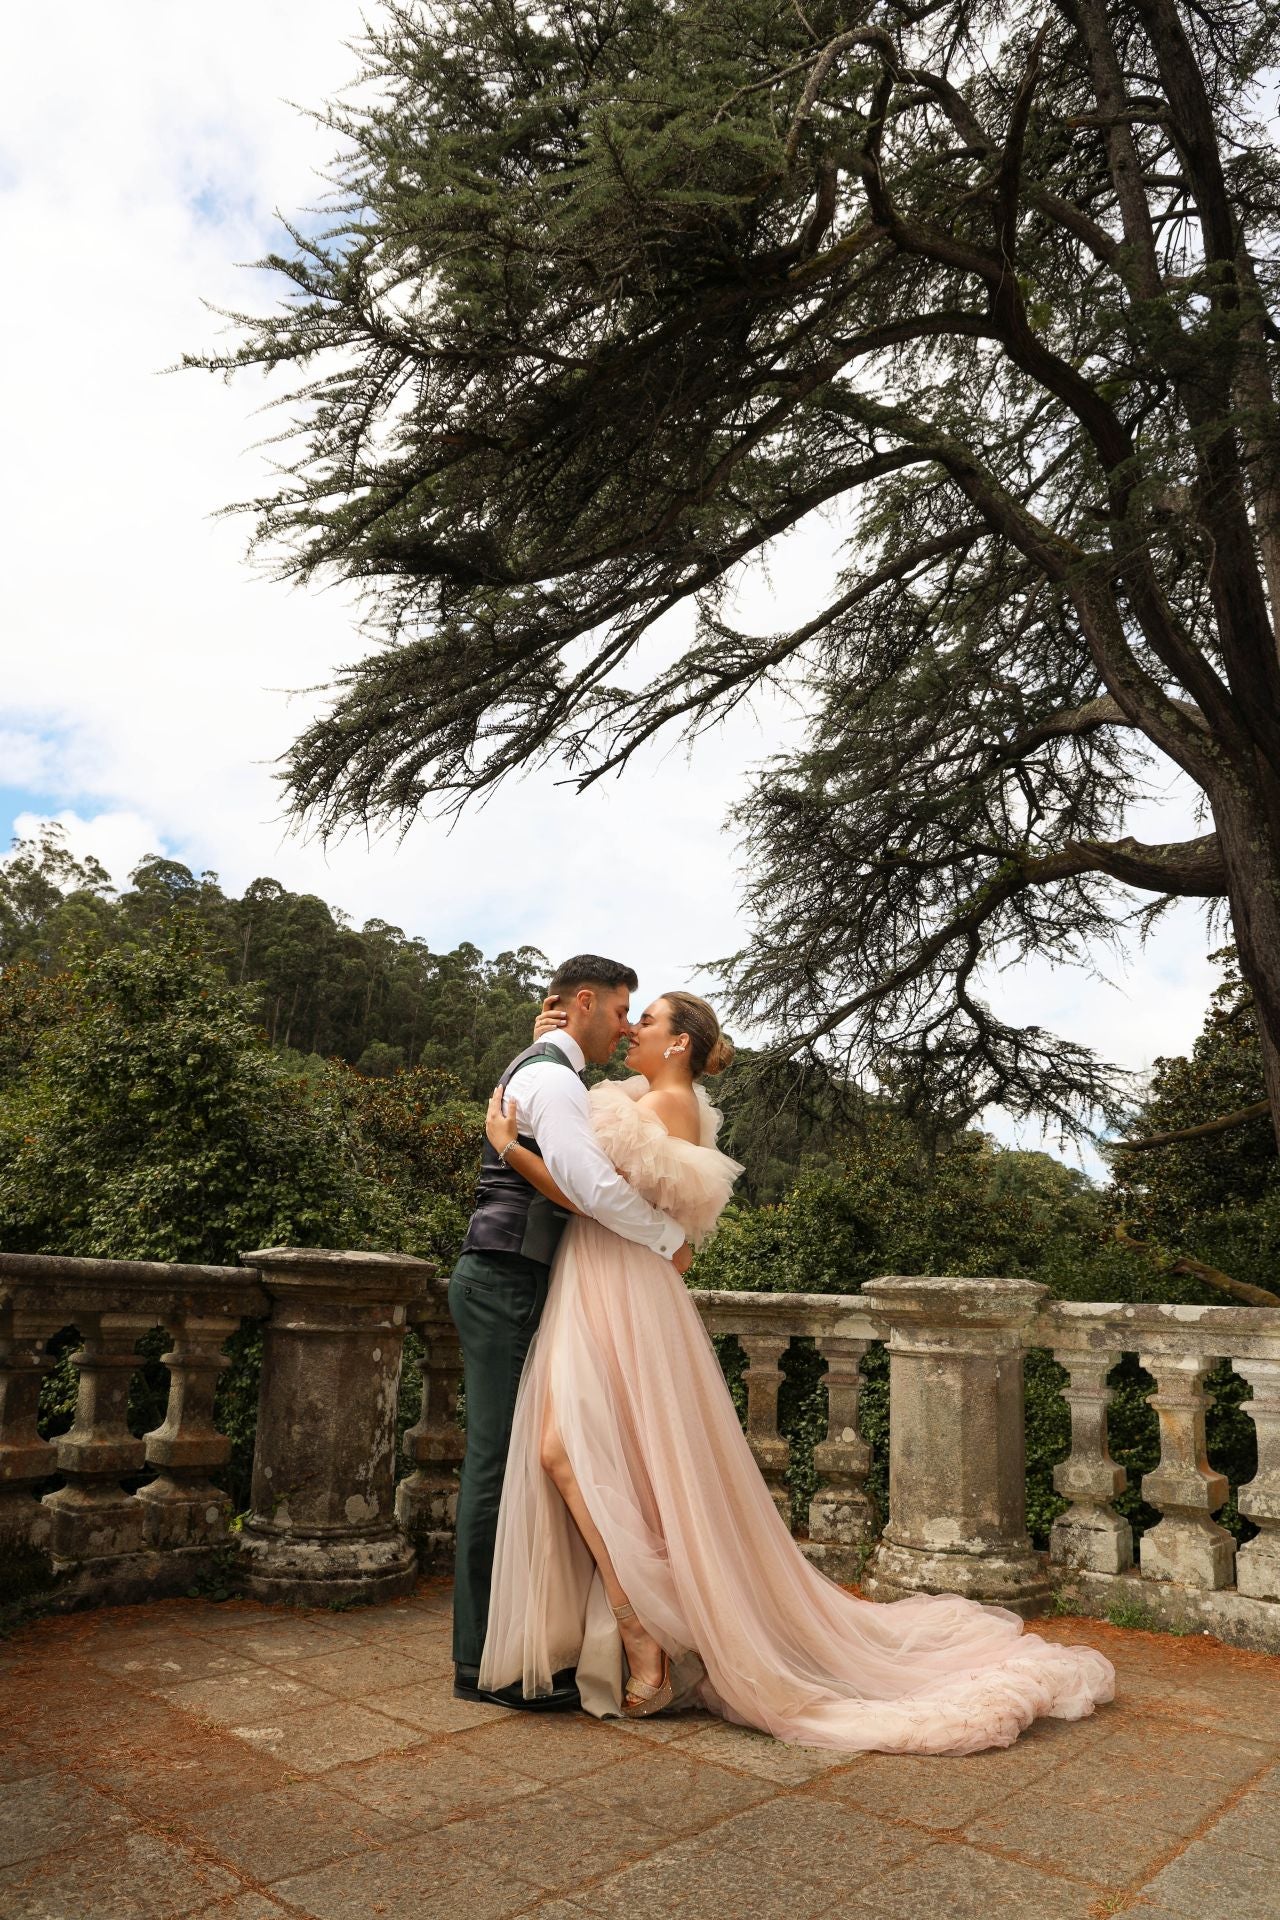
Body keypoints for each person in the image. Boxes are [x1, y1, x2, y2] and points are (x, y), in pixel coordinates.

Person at [477, 988, 1116, 1752]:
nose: (633, 1028)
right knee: (582, 1455)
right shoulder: (650, 1099)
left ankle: (642, 1626)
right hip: (603, 1283)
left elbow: (596, 1196)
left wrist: (513, 1150)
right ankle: (638, 1624)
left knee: (572, 1452)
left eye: (646, 1020)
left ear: (679, 1044)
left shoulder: (669, 1107)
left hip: (621, 1288)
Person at [449, 954, 694, 1711]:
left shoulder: (553, 1068)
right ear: (585, 1002)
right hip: (508, 1278)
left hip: (525, 1279)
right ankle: (486, 1658)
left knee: (533, 1455)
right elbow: (588, 1186)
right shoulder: (554, 1078)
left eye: (638, 1018)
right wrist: (665, 1240)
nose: (625, 1026)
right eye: (621, 1010)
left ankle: (528, 1646)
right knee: (503, 1460)